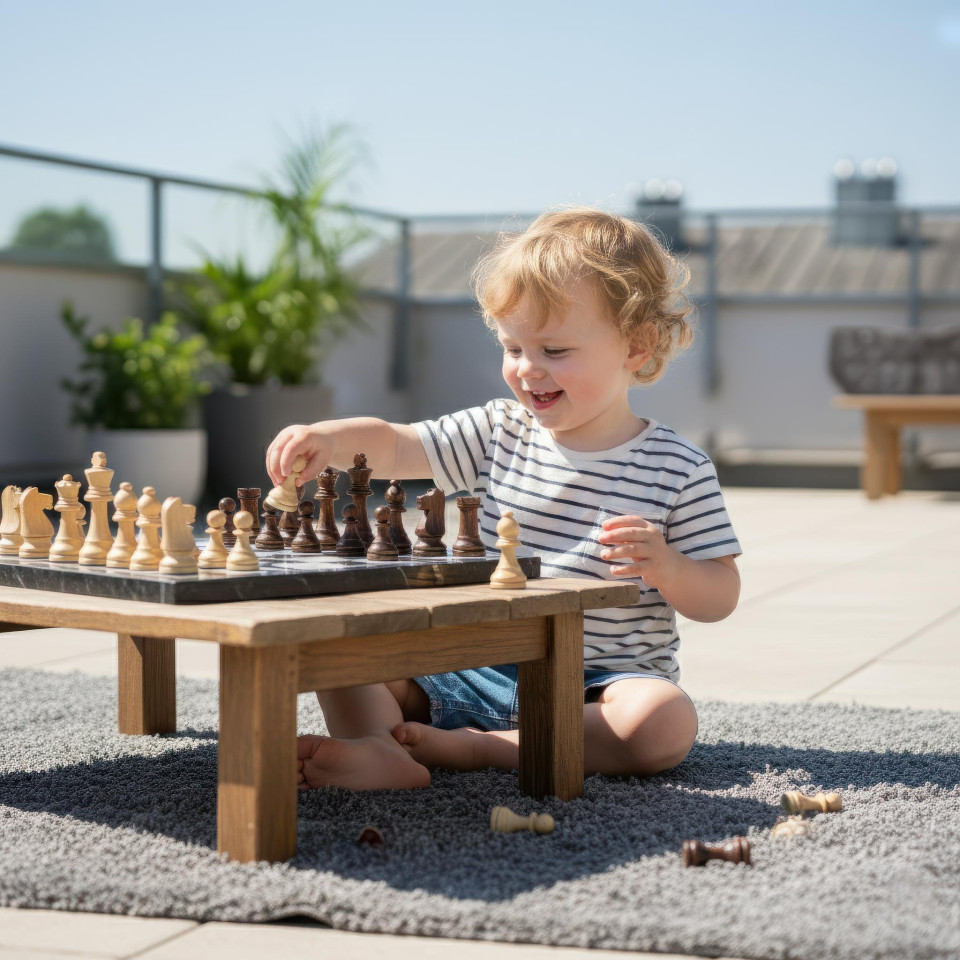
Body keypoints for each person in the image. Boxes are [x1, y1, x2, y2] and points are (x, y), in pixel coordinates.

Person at [265, 206, 742, 792]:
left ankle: (475, 750)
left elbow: (720, 595)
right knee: (334, 643)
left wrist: (668, 567)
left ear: (637, 347)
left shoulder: (678, 467)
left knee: (663, 721)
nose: (527, 370)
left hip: (598, 686)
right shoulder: (498, 431)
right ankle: (379, 751)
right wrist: (330, 439)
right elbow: (395, 445)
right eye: (513, 347)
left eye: (555, 351)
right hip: (470, 664)